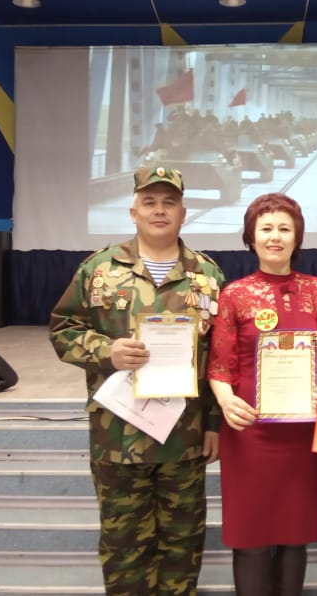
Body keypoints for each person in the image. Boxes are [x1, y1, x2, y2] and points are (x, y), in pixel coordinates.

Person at [49, 164, 226, 596]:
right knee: (124, 547)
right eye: (149, 202)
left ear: (183, 213)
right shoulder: (99, 269)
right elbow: (63, 329)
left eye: (169, 202)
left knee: (182, 545)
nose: (159, 210)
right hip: (118, 436)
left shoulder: (208, 276)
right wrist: (105, 351)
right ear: (133, 211)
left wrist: (213, 424)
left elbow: (218, 358)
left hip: (183, 437)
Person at [208, 192, 317, 596]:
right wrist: (225, 400)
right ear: (251, 237)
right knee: (250, 534)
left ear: (297, 237)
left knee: (295, 533)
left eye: (285, 228)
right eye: (266, 229)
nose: (275, 237)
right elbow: (220, 364)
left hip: (300, 432)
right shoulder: (235, 294)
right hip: (248, 430)